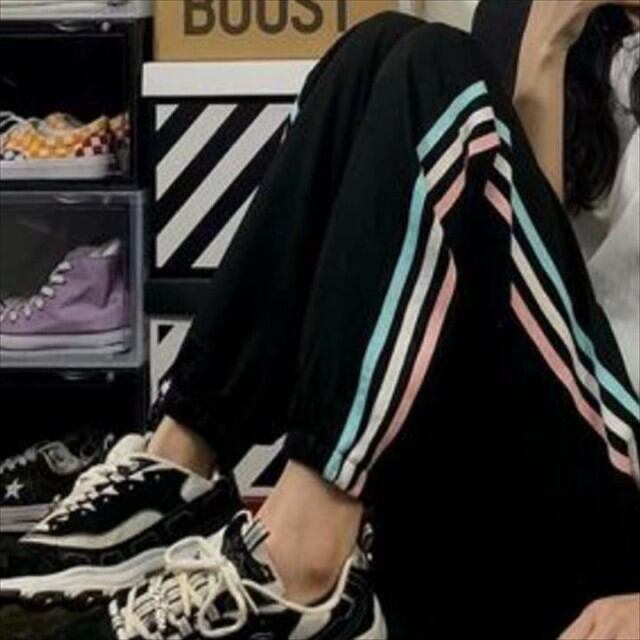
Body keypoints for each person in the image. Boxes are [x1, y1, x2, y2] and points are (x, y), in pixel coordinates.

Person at [1, 1, 638, 638]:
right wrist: (544, 56)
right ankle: (176, 465)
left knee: (434, 64)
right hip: (540, 452)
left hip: (615, 502)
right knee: (378, 47)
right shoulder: (576, 38)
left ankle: (302, 557)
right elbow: (530, 283)